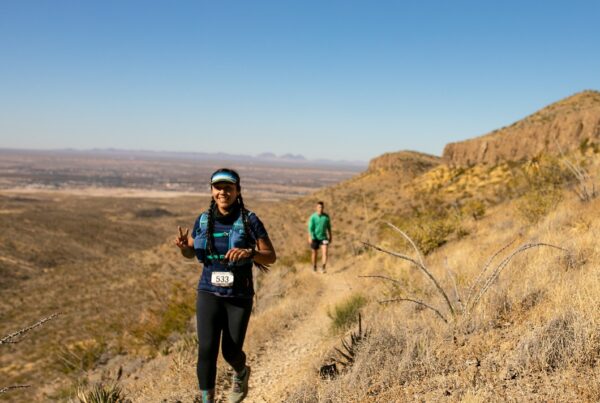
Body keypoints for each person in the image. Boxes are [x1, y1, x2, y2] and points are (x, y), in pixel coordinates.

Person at [174, 168, 276, 403]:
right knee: (206, 350)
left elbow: (270, 256)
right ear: (211, 191)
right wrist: (184, 248)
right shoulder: (202, 220)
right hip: (208, 291)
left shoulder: (249, 220)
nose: (223, 192)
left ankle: (241, 372)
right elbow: (191, 253)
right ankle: (206, 400)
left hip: (238, 295)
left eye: (228, 188)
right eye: (218, 188)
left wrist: (250, 253)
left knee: (230, 352)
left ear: (237, 191)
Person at [307, 201, 332, 273]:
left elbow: (329, 227)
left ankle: (323, 267)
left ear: (323, 208)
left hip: (324, 237)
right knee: (314, 252)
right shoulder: (313, 217)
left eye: (321, 207)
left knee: (325, 251)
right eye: (319, 207)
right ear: (316, 208)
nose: (320, 208)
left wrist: (330, 235)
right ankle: (314, 266)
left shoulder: (326, 217)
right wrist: (310, 237)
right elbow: (310, 228)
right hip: (314, 237)